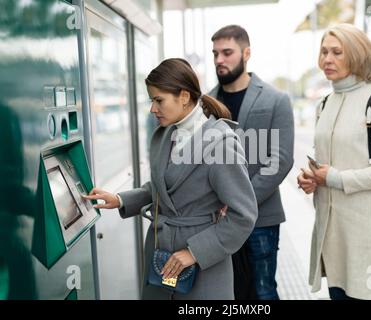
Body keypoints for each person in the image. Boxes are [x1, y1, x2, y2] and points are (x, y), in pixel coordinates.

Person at [84, 58, 258, 300]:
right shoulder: (165, 135)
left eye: (159, 100)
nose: (153, 109)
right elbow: (162, 189)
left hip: (202, 263)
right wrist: (121, 200)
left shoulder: (221, 144)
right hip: (161, 253)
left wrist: (194, 253)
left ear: (184, 97)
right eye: (151, 100)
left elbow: (244, 215)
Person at [297, 23, 371, 300]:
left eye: (337, 52)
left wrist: (335, 178)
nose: (327, 60)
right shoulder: (324, 105)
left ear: (356, 55)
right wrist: (311, 178)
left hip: (364, 236)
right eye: (324, 52)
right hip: (330, 236)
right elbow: (325, 162)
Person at [209, 25, 294, 300]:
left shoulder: (276, 99)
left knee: (262, 292)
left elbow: (280, 161)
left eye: (227, 52)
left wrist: (238, 201)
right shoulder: (205, 103)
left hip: (261, 219)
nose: (220, 60)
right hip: (215, 220)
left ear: (246, 53)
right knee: (224, 293)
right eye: (215, 54)